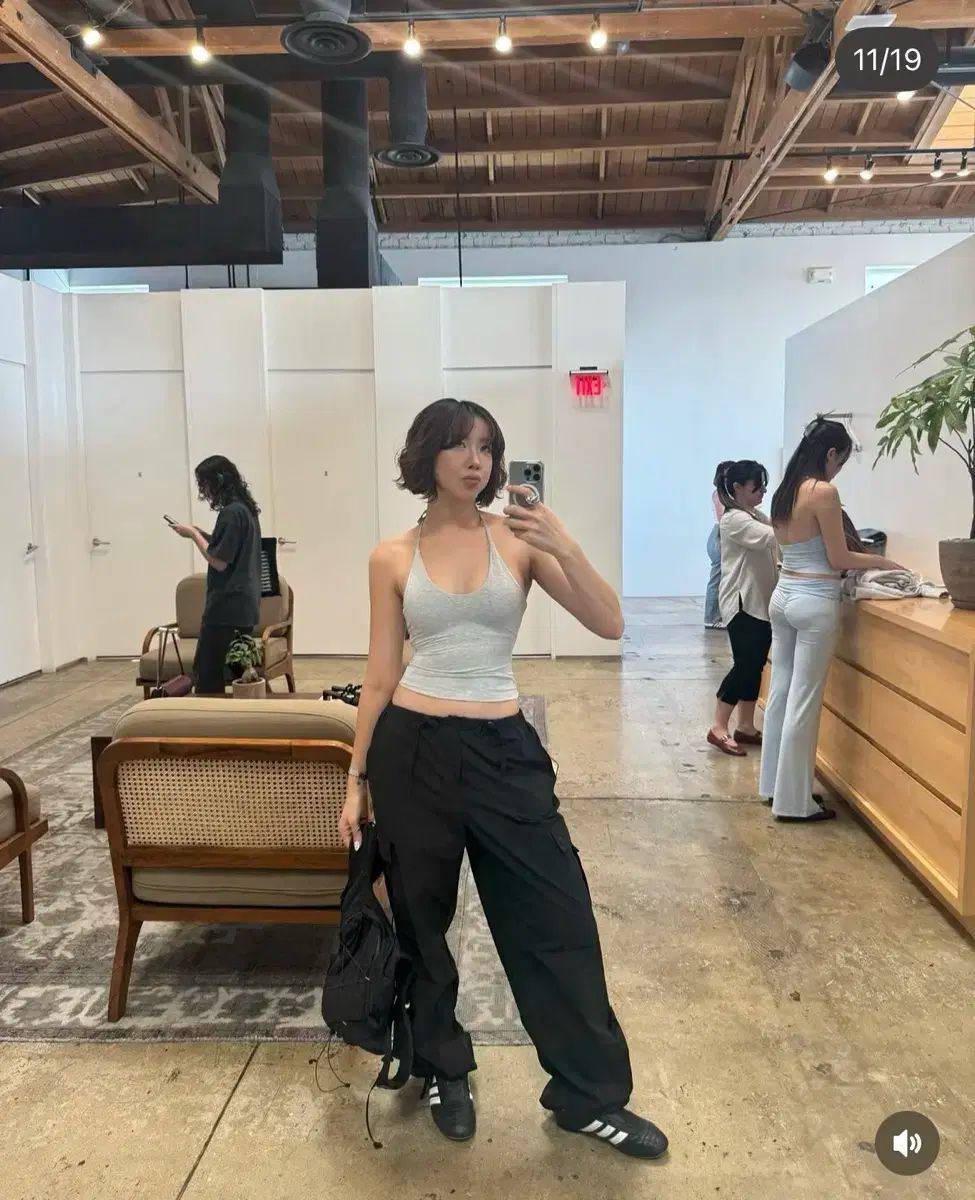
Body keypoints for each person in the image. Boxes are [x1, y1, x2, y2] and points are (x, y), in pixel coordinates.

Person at [338, 398, 668, 1160]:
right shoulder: (391, 556)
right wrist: (355, 777)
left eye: (485, 447)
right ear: (426, 456)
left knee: (556, 919)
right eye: (457, 445)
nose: (474, 460)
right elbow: (380, 675)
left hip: (504, 751)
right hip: (412, 749)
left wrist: (562, 542)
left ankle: (587, 1096)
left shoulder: (518, 540)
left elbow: (610, 623)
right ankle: (441, 1066)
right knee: (421, 921)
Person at [761, 418, 903, 822]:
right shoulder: (823, 492)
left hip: (783, 596)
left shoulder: (785, 491)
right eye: (840, 461)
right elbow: (839, 558)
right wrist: (883, 562)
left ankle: (773, 787)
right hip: (814, 600)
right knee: (804, 699)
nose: (838, 470)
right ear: (829, 454)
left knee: (781, 691)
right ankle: (794, 802)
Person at [169, 455, 262, 696]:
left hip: (226, 607)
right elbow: (225, 548)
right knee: (241, 671)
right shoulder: (246, 510)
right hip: (244, 605)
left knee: (208, 673)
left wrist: (193, 535)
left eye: (204, 484)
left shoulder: (231, 513)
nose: (204, 491)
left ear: (218, 481)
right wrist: (200, 533)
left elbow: (219, 561)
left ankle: (209, 716)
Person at [707, 461, 777, 757]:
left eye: (764, 486)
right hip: (742, 604)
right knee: (745, 665)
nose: (762, 492)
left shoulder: (753, 515)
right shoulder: (734, 519)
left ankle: (746, 726)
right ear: (737, 488)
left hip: (759, 604)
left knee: (755, 665)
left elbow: (774, 529)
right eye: (756, 486)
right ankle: (718, 726)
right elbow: (774, 536)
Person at [705, 462, 733, 629]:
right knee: (717, 579)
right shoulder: (720, 495)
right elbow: (724, 519)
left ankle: (716, 616)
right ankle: (712, 618)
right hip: (720, 536)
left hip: (718, 535)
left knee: (719, 578)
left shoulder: (721, 494)